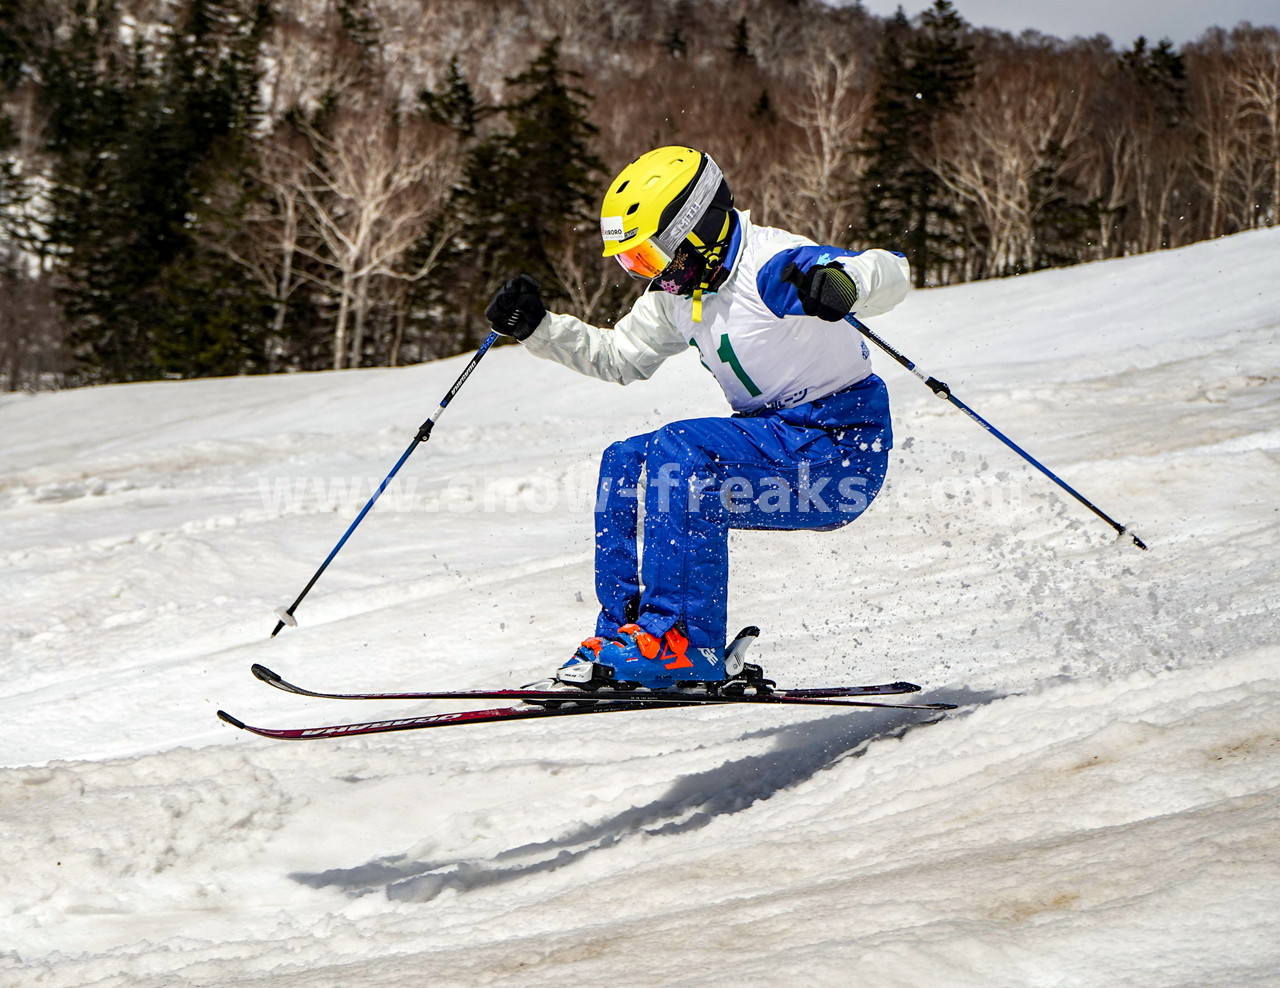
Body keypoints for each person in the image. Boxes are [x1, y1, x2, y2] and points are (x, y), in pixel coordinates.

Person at [485, 145, 909, 691]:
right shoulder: (678, 295)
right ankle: (629, 636)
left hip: (839, 460)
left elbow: (889, 269)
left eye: (648, 257)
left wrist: (842, 284)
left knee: (682, 451)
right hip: (778, 449)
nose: (648, 275)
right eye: (631, 262)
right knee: (626, 462)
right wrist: (538, 328)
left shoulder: (770, 265)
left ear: (698, 227)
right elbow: (620, 356)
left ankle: (683, 644)